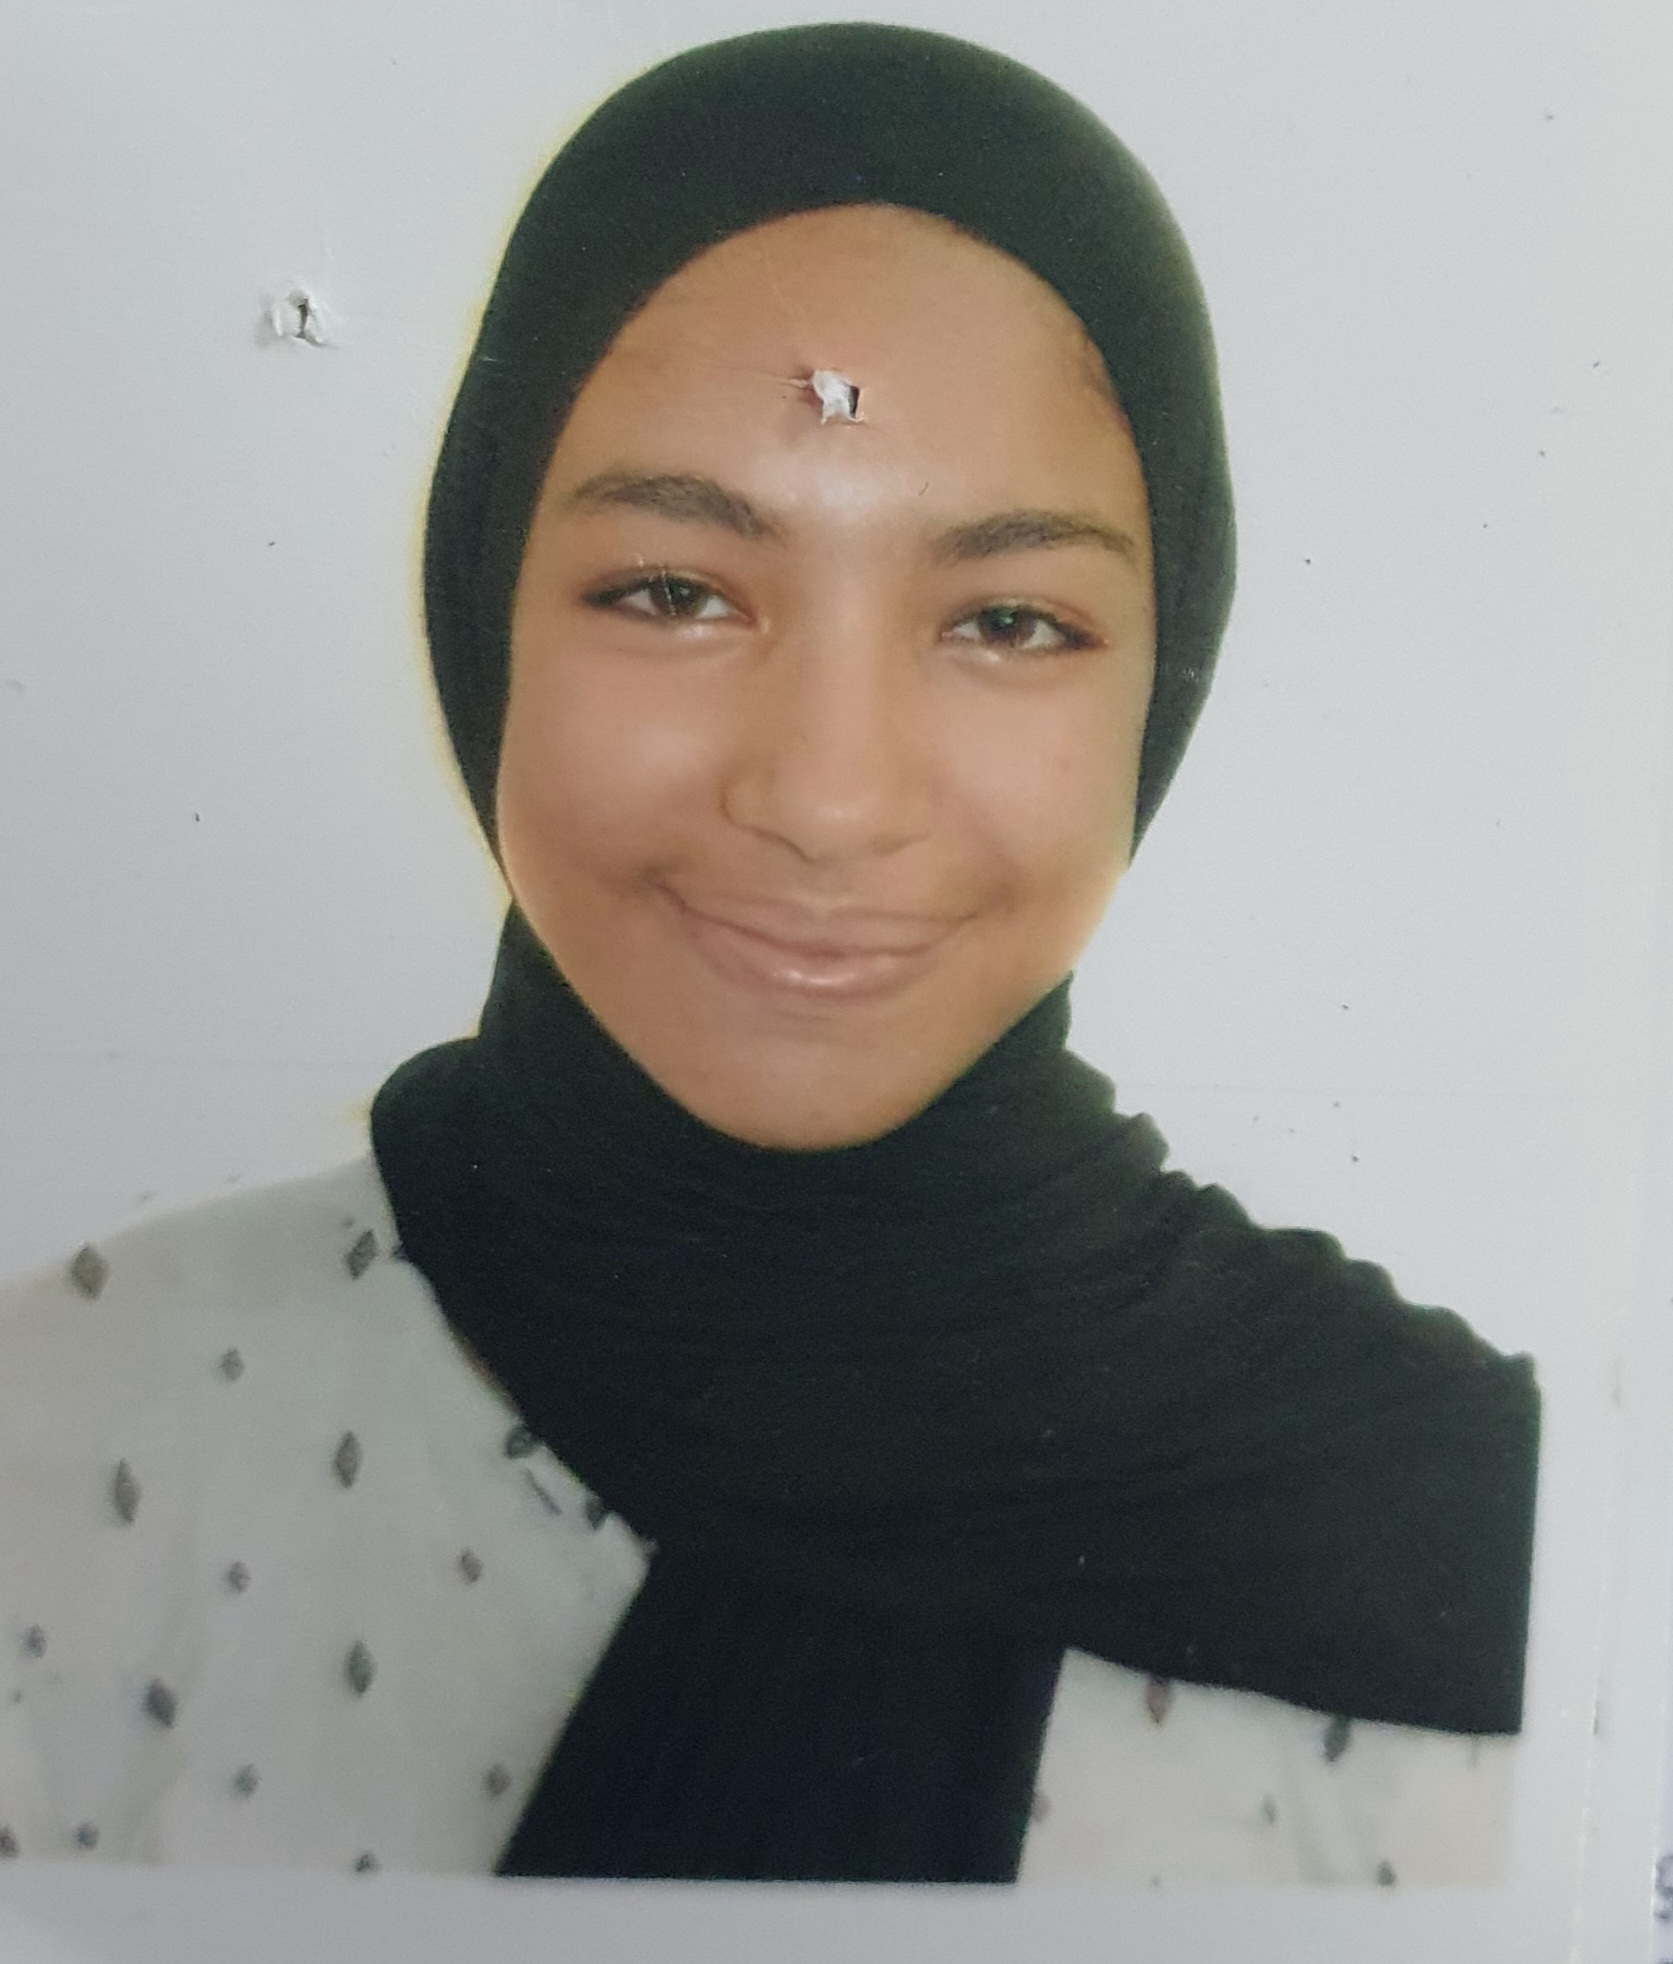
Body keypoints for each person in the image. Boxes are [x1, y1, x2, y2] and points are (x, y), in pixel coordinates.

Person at [0, 23, 1538, 1887]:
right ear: (482, 608)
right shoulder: (69, 1437)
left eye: (1007, 620)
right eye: (673, 591)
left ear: (1164, 676)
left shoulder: (1505, 1558)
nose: (824, 797)